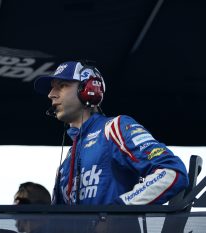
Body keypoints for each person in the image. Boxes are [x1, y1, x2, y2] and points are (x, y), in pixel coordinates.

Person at [33, 60, 189, 206]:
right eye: (52, 88)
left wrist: (119, 210)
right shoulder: (65, 164)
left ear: (88, 90)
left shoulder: (114, 128)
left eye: (62, 85)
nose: (51, 94)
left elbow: (172, 172)